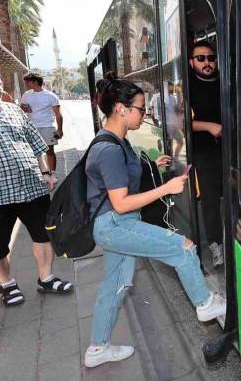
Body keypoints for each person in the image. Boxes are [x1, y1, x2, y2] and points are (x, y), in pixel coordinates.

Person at [84, 78, 225, 368]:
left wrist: (153, 167)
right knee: (184, 248)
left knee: (115, 287)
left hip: (115, 224)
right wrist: (167, 188)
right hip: (116, 224)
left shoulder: (117, 140)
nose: (144, 114)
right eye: (140, 108)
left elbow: (121, 181)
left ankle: (97, 349)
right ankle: (205, 304)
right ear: (121, 109)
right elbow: (121, 202)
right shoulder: (109, 149)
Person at [0, 65, 73, 307]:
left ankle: (46, 278)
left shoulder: (14, 111)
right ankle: (7, 284)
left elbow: (37, 145)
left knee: (43, 235)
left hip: (32, 188)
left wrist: (46, 172)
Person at [188, 40, 224, 267]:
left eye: (210, 58)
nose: (207, 62)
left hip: (233, 149)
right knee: (210, 200)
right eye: (201, 58)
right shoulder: (188, 86)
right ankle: (216, 246)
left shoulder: (226, 81)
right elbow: (179, 122)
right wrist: (209, 126)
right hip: (204, 152)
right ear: (192, 62)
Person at [21, 72, 64, 172]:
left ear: (35, 82)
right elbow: (22, 109)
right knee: (33, 152)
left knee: (49, 151)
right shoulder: (26, 95)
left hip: (47, 127)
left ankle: (52, 173)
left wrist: (60, 129)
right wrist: (24, 108)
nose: (26, 84)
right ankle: (41, 173)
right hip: (31, 127)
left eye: (27, 82)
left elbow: (58, 114)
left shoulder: (50, 96)